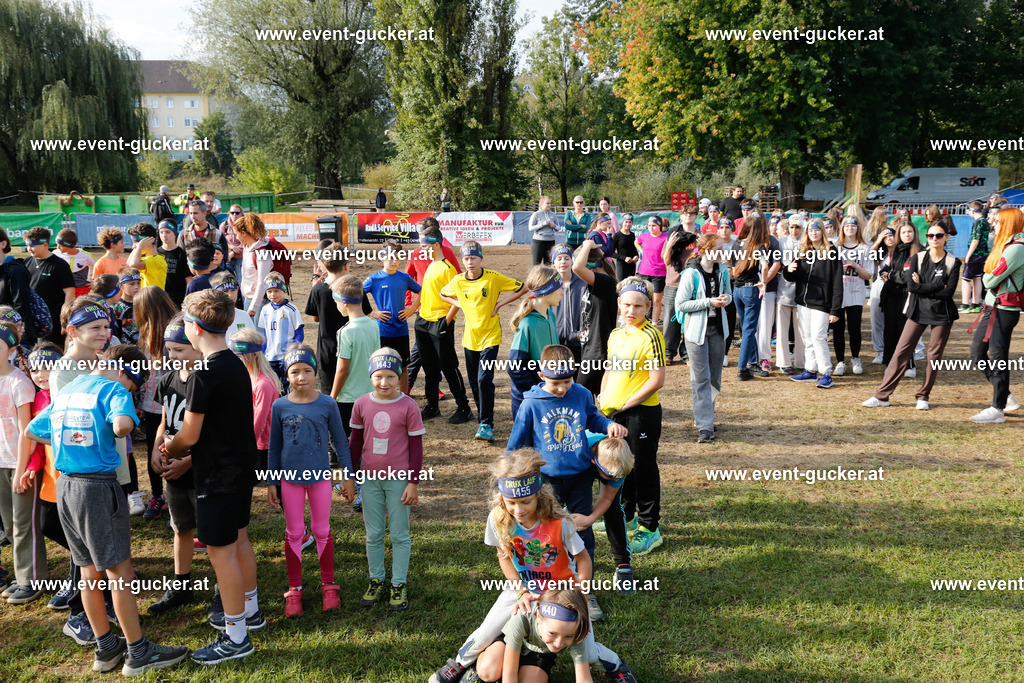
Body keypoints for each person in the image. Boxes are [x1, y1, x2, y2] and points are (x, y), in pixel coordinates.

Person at [26, 344, 190, 675]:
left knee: (88, 571)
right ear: (123, 372)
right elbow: (123, 426)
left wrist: (72, 441)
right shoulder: (113, 389)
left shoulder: (70, 388)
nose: (130, 391)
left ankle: (105, 647)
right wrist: (117, 418)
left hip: (66, 487)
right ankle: (138, 652)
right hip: (98, 488)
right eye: (133, 385)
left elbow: (34, 430)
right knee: (119, 573)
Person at [429, 449, 636, 683]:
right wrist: (521, 591)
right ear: (502, 498)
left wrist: (583, 595)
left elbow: (583, 559)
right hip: (523, 588)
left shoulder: (560, 521)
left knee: (586, 652)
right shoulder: (498, 518)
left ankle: (617, 666)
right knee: (485, 633)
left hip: (561, 592)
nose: (518, 510)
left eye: (526, 502)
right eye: (511, 503)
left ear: (539, 494)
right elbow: (503, 556)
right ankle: (457, 665)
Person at [166, 289, 262, 664]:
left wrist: (170, 448)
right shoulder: (235, 362)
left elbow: (189, 436)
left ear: (194, 328)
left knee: (221, 554)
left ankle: (236, 637)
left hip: (216, 476)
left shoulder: (203, 373)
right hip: (240, 469)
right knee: (239, 540)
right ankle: (251, 612)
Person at [506, 342, 627, 619]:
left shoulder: (581, 393)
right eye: (556, 383)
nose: (562, 388)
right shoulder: (531, 404)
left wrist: (608, 424)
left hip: (580, 477)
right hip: (546, 482)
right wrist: (510, 477)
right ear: (541, 376)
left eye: (567, 381)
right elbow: (516, 446)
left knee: (582, 532)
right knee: (549, 534)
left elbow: (593, 417)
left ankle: (585, 591)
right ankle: (551, 588)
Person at [268, 345, 355, 617]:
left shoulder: (327, 403)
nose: (301, 377)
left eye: (307, 370)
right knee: (294, 532)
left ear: (315, 372)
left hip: (319, 480)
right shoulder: (279, 405)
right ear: (286, 376)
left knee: (321, 530)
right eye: (295, 372)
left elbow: (340, 442)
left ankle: (329, 585)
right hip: (290, 481)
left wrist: (349, 476)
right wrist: (272, 480)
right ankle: (295, 589)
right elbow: (274, 445)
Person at [350, 348, 424, 611]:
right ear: (370, 375)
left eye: (391, 376)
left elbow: (416, 447)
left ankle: (398, 583)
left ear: (399, 376)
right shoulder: (361, 404)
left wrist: (413, 482)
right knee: (374, 534)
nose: (384, 382)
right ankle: (376, 579)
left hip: (399, 480)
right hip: (370, 480)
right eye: (379, 376)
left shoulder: (408, 406)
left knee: (400, 534)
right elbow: (355, 443)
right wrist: (350, 477)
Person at [598, 278, 666, 556]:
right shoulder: (616, 334)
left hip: (641, 414)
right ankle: (625, 516)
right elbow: (609, 370)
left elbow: (657, 380)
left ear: (648, 307)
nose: (631, 310)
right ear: (619, 303)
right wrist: (603, 399)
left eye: (638, 306)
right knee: (620, 465)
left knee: (642, 469)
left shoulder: (651, 335)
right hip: (615, 413)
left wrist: (626, 404)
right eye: (626, 304)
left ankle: (650, 528)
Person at [863, 221, 961, 410]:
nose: (934, 239)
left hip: (942, 314)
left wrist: (923, 286)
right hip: (917, 310)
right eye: (931, 235)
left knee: (934, 356)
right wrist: (937, 286)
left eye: (939, 235)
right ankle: (882, 396)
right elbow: (912, 286)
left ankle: (923, 396)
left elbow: (948, 293)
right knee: (901, 352)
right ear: (927, 237)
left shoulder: (953, 262)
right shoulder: (919, 257)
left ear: (946, 238)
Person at [147, 316, 204, 615]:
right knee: (181, 528)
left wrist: (189, 461)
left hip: (202, 470)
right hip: (173, 470)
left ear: (198, 347)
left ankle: (223, 591)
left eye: (180, 349)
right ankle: (181, 585)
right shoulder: (168, 379)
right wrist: (156, 447)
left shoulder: (205, 381)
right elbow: (165, 420)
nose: (173, 355)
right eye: (169, 349)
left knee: (211, 533)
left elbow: (216, 433)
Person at [440, 242, 525, 439]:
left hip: (490, 337)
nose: (470, 262)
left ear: (481, 258)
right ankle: (482, 420)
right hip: (470, 339)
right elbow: (443, 294)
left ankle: (487, 423)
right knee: (474, 382)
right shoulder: (458, 280)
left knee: (483, 379)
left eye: (473, 258)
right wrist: (459, 303)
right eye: (466, 258)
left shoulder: (493, 278)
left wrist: (500, 304)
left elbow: (522, 287)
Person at [0, 321, 43, 605]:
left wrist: (20, 470)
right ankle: (21, 574)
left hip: (19, 463)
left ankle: (32, 579)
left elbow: (26, 430)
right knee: (9, 524)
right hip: (0, 463)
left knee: (24, 523)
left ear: (11, 350)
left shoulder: (19, 382)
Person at [968, 206, 1024, 424]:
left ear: (1009, 223)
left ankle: (997, 408)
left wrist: (988, 274)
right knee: (977, 353)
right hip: (993, 308)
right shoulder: (1007, 245)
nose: (994, 224)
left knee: (999, 358)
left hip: (1003, 310)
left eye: (998, 221)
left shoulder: (1016, 248)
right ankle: (1005, 396)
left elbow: (989, 280)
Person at [412, 227, 473, 424]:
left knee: (449, 366)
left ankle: (464, 407)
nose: (422, 250)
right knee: (429, 366)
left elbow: (458, 300)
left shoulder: (448, 269)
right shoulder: (432, 264)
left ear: (436, 245)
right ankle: (432, 405)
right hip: (423, 322)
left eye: (425, 246)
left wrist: (445, 322)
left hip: (440, 323)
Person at [676, 233, 731, 443]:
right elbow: (681, 304)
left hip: (718, 331)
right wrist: (709, 302)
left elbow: (729, 294)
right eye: (719, 249)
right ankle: (705, 426)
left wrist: (726, 298)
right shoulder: (691, 273)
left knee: (714, 379)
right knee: (701, 379)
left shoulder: (722, 271)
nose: (723, 252)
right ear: (707, 250)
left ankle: (706, 417)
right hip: (696, 333)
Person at [473, 588, 594, 683]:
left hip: (539, 653)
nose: (558, 643)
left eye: (568, 636)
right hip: (509, 646)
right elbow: (510, 674)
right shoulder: (522, 617)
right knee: (488, 671)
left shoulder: (577, 629)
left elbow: (584, 679)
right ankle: (480, 664)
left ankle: (525, 669)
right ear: (539, 617)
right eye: (552, 633)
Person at [134, 286, 178, 522]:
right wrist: (140, 399)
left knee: (173, 450)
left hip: (173, 403)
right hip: (151, 406)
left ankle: (176, 497)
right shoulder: (144, 335)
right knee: (153, 448)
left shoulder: (176, 332)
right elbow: (143, 373)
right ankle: (157, 496)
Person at [784, 219, 843, 389]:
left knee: (818, 337)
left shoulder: (832, 252)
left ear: (822, 232)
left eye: (817, 230)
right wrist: (788, 270)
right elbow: (792, 276)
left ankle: (826, 373)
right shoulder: (804, 251)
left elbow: (837, 283)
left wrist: (835, 310)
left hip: (822, 303)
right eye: (810, 231)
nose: (813, 233)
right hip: (803, 303)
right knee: (808, 338)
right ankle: (810, 370)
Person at [363, 241, 421, 394]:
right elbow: (357, 294)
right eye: (391, 257)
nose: (395, 261)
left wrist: (412, 309)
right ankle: (381, 396)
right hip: (382, 330)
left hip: (401, 330)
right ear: (382, 257)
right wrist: (371, 313)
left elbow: (422, 291)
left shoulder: (404, 277)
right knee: (381, 365)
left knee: (403, 366)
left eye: (398, 257)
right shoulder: (374, 279)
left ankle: (403, 396)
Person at [507, 268, 563, 423]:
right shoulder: (527, 323)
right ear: (547, 290)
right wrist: (538, 390)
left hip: (548, 395)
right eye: (559, 288)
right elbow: (515, 367)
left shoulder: (550, 315)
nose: (562, 293)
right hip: (529, 401)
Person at [329, 275, 380, 436]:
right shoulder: (374, 325)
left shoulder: (345, 331)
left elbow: (342, 370)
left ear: (344, 302)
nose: (336, 306)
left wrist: (332, 397)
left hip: (347, 398)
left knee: (341, 439)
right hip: (370, 394)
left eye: (336, 302)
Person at [230, 327, 281, 480]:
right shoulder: (250, 377)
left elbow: (260, 420)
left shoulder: (263, 384)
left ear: (254, 356)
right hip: (253, 441)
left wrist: (247, 447)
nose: (237, 361)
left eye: (241, 357)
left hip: (262, 445)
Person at [571, 239, 618, 395]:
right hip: (589, 350)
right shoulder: (596, 284)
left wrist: (587, 245)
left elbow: (577, 267)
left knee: (579, 395)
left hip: (597, 353)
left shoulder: (605, 282)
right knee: (593, 396)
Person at [880, 221, 923, 376]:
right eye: (903, 232)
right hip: (892, 295)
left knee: (906, 332)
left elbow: (910, 276)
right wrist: (884, 273)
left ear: (915, 233)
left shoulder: (920, 251)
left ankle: (909, 365)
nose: (907, 235)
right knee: (890, 330)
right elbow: (886, 268)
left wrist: (891, 275)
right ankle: (891, 363)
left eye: (909, 231)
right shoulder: (895, 250)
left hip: (909, 296)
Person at [832, 215, 873, 376]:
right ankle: (840, 361)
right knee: (838, 329)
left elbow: (868, 275)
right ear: (842, 228)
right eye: (847, 226)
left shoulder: (864, 248)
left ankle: (855, 357)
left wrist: (855, 265)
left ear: (858, 228)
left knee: (854, 329)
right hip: (838, 293)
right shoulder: (836, 247)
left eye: (853, 226)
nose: (850, 228)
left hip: (856, 292)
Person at [23, 226, 74, 346]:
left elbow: (70, 294)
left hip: (51, 321)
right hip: (30, 320)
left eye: (33, 246)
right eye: (28, 245)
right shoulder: (26, 262)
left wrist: (65, 319)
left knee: (48, 353)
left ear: (45, 244)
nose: (29, 249)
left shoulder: (60, 265)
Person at [259, 272, 304, 392]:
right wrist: (263, 353)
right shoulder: (265, 309)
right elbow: (265, 334)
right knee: (272, 387)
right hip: (270, 357)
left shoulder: (291, 309)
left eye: (276, 291)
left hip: (286, 357)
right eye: (269, 291)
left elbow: (299, 333)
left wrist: (293, 350)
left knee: (288, 386)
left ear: (283, 289)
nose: (273, 294)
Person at [661, 227, 699, 364]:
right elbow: (666, 261)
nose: (688, 217)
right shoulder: (673, 234)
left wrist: (700, 248)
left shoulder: (700, 236)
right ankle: (668, 352)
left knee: (691, 320)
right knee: (670, 320)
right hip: (673, 283)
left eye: (692, 215)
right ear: (681, 217)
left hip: (693, 283)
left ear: (696, 217)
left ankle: (687, 354)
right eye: (685, 215)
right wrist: (670, 245)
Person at [0, 228, 39, 347]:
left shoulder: (15, 270)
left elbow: (21, 307)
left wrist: (6, 331)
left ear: (3, 244)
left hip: (16, 336)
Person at [776, 219, 805, 374]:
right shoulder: (781, 243)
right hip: (783, 290)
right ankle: (783, 361)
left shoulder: (806, 243)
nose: (794, 230)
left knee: (801, 330)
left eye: (797, 227)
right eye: (791, 227)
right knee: (782, 329)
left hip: (801, 292)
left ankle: (802, 361)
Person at [550, 244, 587, 367]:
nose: (563, 262)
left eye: (567, 258)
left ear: (572, 261)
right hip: (554, 343)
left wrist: (581, 334)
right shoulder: (547, 286)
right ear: (553, 263)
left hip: (578, 343)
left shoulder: (584, 284)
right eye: (559, 258)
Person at [868, 223, 897, 364]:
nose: (889, 239)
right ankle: (880, 351)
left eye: (891, 236)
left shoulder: (900, 251)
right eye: (886, 237)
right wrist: (878, 240)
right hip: (879, 284)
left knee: (893, 320)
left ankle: (893, 350)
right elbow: (867, 255)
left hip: (895, 285)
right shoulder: (880, 252)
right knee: (876, 319)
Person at [236, 214, 273, 321]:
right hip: (249, 298)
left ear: (243, 233)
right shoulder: (247, 248)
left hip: (258, 302)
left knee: (257, 331)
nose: (236, 237)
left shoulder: (262, 253)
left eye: (236, 234)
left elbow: (262, 282)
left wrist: (254, 307)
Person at [635, 216, 668, 326]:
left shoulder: (665, 238)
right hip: (644, 272)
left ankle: (654, 324)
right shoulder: (644, 236)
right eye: (649, 225)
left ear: (659, 226)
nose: (651, 228)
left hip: (659, 273)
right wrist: (642, 251)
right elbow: (636, 242)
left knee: (656, 301)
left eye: (654, 225)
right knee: (642, 299)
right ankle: (641, 322)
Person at [961, 201, 990, 314]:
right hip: (983, 255)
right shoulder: (985, 221)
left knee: (965, 279)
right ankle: (975, 304)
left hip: (975, 254)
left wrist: (968, 255)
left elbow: (975, 239)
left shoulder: (978, 222)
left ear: (972, 211)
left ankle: (965, 305)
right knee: (977, 278)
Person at [125, 222, 167, 291]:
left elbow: (133, 265)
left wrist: (139, 247)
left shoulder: (157, 261)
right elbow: (128, 265)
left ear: (148, 242)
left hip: (153, 297)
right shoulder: (144, 259)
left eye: (136, 243)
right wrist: (138, 247)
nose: (133, 246)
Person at [53, 228, 94, 297]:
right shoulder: (55, 253)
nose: (57, 247)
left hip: (81, 290)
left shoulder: (86, 256)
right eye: (57, 244)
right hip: (63, 290)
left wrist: (96, 283)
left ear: (70, 246)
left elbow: (101, 267)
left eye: (60, 246)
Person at [112, 268, 141, 346]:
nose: (136, 287)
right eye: (132, 284)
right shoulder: (116, 308)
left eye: (138, 283)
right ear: (121, 286)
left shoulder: (144, 304)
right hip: (123, 349)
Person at [529, 196, 559, 266]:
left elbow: (558, 228)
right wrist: (542, 224)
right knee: (536, 265)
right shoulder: (536, 214)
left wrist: (553, 226)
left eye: (550, 203)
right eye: (547, 203)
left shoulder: (553, 215)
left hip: (550, 242)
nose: (549, 205)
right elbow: (530, 228)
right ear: (542, 204)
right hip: (538, 242)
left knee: (549, 265)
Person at [611, 213, 638, 281]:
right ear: (622, 222)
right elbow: (611, 253)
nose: (628, 224)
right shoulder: (617, 235)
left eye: (630, 222)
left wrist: (636, 256)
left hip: (631, 264)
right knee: (621, 284)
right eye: (626, 222)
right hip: (621, 264)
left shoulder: (632, 235)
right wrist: (624, 258)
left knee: (631, 284)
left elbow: (633, 249)